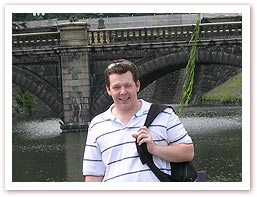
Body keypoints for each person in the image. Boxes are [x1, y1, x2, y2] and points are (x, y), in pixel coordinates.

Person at [82, 59, 194, 182]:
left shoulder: (164, 115)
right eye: (117, 87)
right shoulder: (97, 125)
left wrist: (154, 149)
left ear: (137, 85)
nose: (123, 92)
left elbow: (188, 152)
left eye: (128, 85)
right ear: (108, 90)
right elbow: (93, 175)